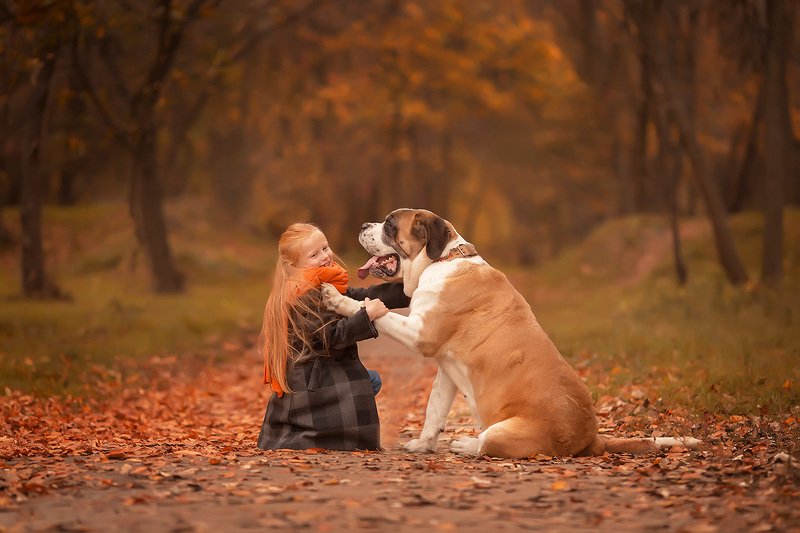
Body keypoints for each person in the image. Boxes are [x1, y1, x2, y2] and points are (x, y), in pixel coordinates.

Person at [256, 223, 410, 451]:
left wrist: (411, 289)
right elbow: (330, 337)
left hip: (318, 375)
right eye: (314, 254)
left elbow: (364, 294)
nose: (324, 256)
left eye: (325, 248)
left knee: (370, 379)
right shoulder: (302, 294)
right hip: (311, 382)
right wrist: (366, 316)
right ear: (294, 265)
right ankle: (328, 428)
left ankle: (337, 419)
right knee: (365, 381)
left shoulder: (320, 282)